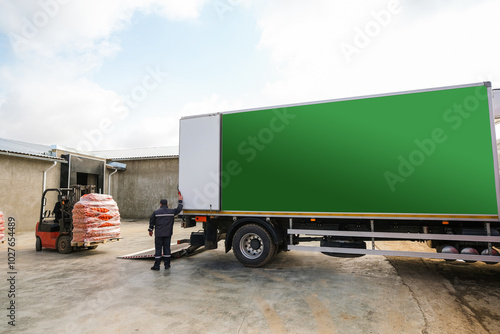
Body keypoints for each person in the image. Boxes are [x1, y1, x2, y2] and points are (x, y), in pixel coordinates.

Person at [148, 193, 183, 270]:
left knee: (158, 249)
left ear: (160, 204)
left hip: (159, 234)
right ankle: (167, 265)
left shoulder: (156, 212)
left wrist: (150, 230)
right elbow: (179, 209)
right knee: (167, 249)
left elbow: (152, 221)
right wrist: (180, 200)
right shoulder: (171, 212)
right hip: (168, 234)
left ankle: (157, 266)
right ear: (167, 204)